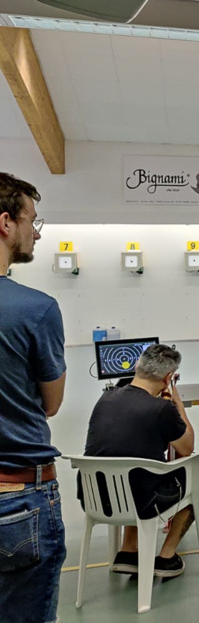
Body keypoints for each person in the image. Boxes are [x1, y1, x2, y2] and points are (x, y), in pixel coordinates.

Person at [81, 344, 199, 578]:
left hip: (96, 498)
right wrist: (176, 402)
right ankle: (167, 557)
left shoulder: (105, 399)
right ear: (169, 378)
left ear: (136, 367)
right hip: (142, 501)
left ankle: (128, 551)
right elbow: (187, 448)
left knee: (136, 470)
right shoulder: (162, 408)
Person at [0, 172, 66, 623]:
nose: (37, 233)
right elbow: (52, 403)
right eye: (32, 221)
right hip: (18, 496)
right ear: (6, 223)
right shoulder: (36, 309)